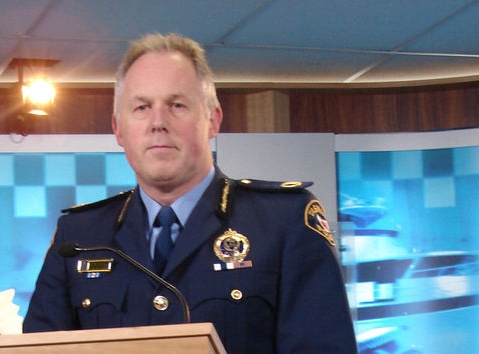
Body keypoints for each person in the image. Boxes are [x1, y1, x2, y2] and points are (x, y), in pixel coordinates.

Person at [23, 33, 357, 353]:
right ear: (118, 129)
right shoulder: (79, 236)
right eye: (141, 107)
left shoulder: (282, 222)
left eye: (177, 105)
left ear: (212, 120)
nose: (158, 122)